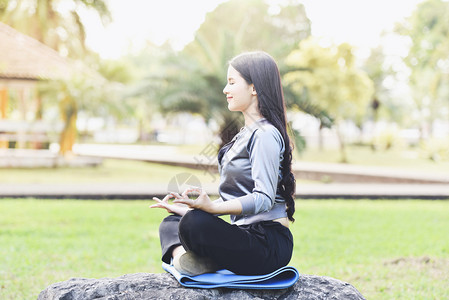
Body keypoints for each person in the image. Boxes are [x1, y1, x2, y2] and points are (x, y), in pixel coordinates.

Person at [150, 51, 296, 276]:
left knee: (193, 223)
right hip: (243, 233)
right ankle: (188, 260)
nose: (225, 90)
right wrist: (192, 207)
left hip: (267, 243)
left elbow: (264, 198)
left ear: (254, 88)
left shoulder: (265, 134)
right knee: (172, 220)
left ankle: (205, 262)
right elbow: (234, 199)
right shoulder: (244, 135)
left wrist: (211, 209)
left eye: (231, 82)